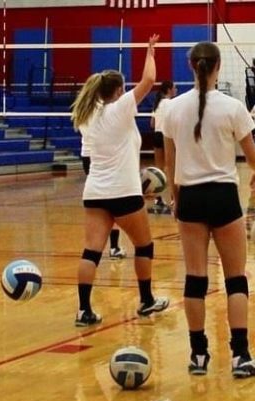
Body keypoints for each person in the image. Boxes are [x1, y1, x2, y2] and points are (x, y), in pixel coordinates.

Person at [162, 40, 255, 378]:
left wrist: (175, 196)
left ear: (192, 66)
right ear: (218, 66)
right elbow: (252, 155)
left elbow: (169, 160)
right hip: (223, 195)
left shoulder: (172, 108)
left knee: (195, 279)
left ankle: (198, 355)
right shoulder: (233, 107)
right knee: (236, 279)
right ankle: (240, 356)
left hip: (190, 196)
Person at [70, 34, 169, 326]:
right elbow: (149, 80)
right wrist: (150, 51)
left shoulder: (87, 114)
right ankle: (147, 301)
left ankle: (83, 310)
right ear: (118, 91)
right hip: (124, 192)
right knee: (144, 245)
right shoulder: (120, 109)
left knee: (92, 250)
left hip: (95, 192)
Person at [79, 135, 125, 259]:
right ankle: (114, 247)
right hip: (103, 156)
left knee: (101, 202)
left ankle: (94, 249)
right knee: (113, 199)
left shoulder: (81, 115)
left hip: (87, 155)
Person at [150, 80, 177, 213]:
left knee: (158, 169)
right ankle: (174, 198)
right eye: (174, 87)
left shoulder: (157, 104)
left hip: (156, 135)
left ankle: (158, 198)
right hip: (166, 135)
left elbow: (152, 123)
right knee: (171, 167)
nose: (176, 90)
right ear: (169, 89)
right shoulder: (170, 103)